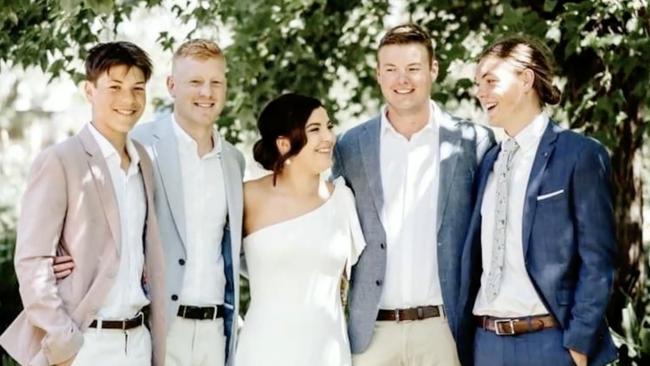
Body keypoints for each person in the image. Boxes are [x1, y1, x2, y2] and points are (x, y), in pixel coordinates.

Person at [332, 23, 495, 366]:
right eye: (390, 69)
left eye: (412, 68)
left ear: (433, 70)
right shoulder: (350, 146)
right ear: (378, 74)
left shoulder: (473, 143)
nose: (401, 79)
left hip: (443, 331)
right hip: (371, 334)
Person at [0, 41, 166, 366]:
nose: (128, 99)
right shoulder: (60, 160)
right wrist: (64, 343)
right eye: (114, 87)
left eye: (137, 88)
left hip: (138, 342)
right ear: (89, 91)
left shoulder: (144, 160)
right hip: (86, 343)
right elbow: (33, 262)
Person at [458, 35, 617, 366]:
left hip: (551, 345)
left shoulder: (579, 154)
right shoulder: (488, 161)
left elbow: (598, 259)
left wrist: (579, 344)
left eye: (490, 81)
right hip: (486, 345)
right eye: (477, 83)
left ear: (526, 78)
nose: (480, 93)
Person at [130, 39, 245, 366]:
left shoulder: (234, 160)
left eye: (215, 82)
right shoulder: (139, 144)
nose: (206, 92)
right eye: (195, 82)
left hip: (216, 333)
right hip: (159, 325)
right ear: (171, 86)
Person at [235, 93, 366, 366]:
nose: (328, 137)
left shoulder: (343, 199)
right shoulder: (247, 197)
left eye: (328, 126)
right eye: (314, 129)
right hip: (264, 351)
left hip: (328, 352)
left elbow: (353, 284)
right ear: (284, 144)